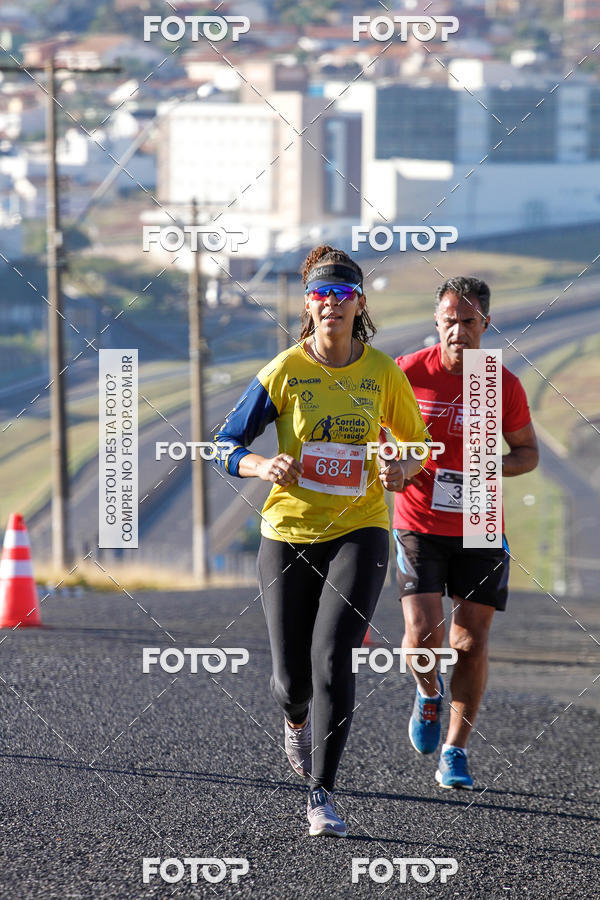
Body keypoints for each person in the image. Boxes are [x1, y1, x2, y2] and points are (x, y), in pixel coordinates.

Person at [216, 245, 431, 836]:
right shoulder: (285, 371)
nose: (331, 304)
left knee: (334, 658)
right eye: (320, 294)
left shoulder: (382, 372)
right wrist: (263, 468)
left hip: (359, 531)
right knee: (291, 681)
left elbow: (417, 448)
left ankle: (322, 795)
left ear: (359, 304)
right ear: (307, 305)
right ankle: (295, 722)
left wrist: (401, 471)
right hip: (287, 532)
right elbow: (223, 445)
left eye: (342, 294)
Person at [392, 276, 539, 789]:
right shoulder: (406, 374)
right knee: (423, 636)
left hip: (479, 520)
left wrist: (487, 469)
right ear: (437, 322)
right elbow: (372, 439)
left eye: (468, 322)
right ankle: (428, 693)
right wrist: (392, 463)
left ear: (486, 325)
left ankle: (455, 749)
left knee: (471, 643)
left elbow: (528, 453)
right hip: (419, 521)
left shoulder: (501, 384)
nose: (458, 331)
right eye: (449, 321)